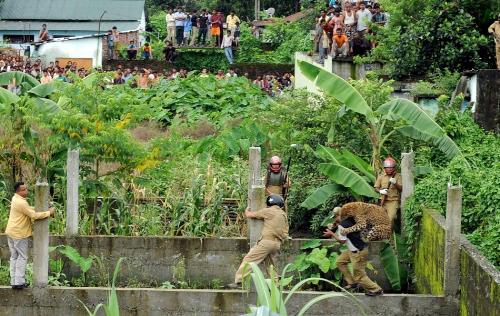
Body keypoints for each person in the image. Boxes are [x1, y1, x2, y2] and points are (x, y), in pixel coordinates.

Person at [227, 194, 289, 288]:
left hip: (267, 242)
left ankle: (239, 281)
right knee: (270, 264)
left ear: (270, 203)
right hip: (277, 244)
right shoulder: (283, 215)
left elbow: (250, 215)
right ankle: (276, 284)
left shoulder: (269, 211)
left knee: (249, 259)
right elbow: (285, 233)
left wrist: (246, 210)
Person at [5, 182, 56, 289]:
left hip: (11, 232)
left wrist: (44, 209)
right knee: (22, 257)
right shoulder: (21, 202)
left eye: (26, 189)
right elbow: (33, 215)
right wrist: (49, 213)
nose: (26, 191)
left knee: (14, 257)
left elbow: (27, 209)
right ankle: (19, 282)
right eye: (23, 190)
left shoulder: (15, 199)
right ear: (18, 191)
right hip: (19, 234)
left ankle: (14, 281)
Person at [323, 207, 383, 296]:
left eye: (335, 217)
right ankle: (352, 283)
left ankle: (376, 289)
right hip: (355, 249)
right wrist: (335, 225)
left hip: (358, 252)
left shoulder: (342, 225)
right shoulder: (352, 219)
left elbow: (342, 241)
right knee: (340, 262)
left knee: (359, 276)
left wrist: (331, 234)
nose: (334, 219)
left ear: (339, 215)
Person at [374, 157, 402, 226]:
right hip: (383, 200)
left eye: (391, 167)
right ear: (384, 168)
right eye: (387, 168)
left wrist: (395, 183)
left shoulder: (398, 176)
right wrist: (380, 191)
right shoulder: (381, 176)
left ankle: (389, 235)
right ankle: (384, 234)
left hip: (393, 201)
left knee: (390, 219)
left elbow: (401, 189)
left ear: (394, 168)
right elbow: (376, 188)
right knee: (381, 219)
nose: (389, 169)